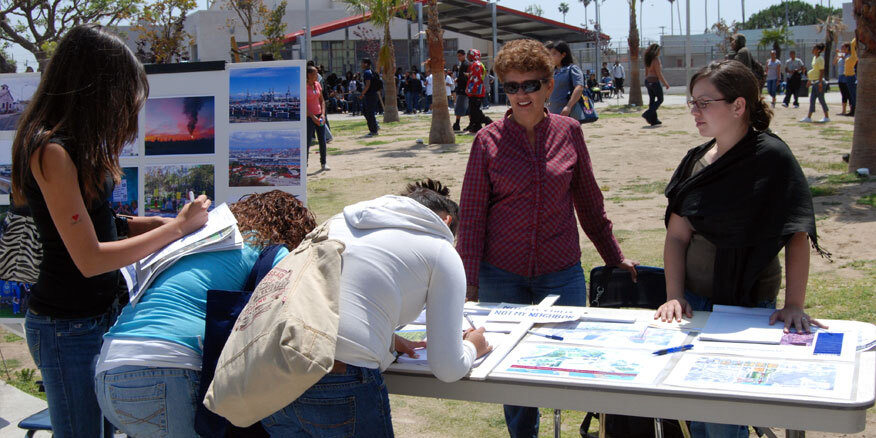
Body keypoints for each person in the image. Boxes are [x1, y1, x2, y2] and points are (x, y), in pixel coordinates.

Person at [10, 24, 210, 438]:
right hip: (67, 328)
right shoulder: (51, 151)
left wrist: (154, 224)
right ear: (94, 89)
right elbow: (89, 258)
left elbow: (101, 223)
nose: (126, 110)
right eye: (122, 96)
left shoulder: (75, 146)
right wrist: (174, 229)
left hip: (100, 316)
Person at [457, 38, 638, 438]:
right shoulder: (486, 143)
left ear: (549, 86)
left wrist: (614, 256)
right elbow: (469, 219)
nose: (522, 94)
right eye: (512, 86)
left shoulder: (570, 132)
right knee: (510, 375)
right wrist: (468, 284)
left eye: (531, 84)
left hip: (561, 273)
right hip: (500, 275)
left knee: (567, 362)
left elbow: (590, 204)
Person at [656, 60, 828, 438]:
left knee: (724, 417)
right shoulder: (696, 160)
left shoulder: (771, 158)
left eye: (704, 102)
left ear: (738, 106)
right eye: (691, 103)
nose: (694, 112)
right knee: (696, 412)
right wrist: (673, 296)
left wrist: (795, 303)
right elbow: (677, 236)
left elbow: (796, 235)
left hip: (748, 310)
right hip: (694, 305)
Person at [262, 180, 492, 437]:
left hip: (271, 368)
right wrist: (473, 345)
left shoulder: (339, 222)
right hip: (338, 375)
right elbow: (448, 368)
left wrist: (388, 340)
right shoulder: (441, 249)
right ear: (447, 222)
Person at [94, 191, 314, 437]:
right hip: (169, 369)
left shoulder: (200, 238)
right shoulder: (270, 248)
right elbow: (294, 304)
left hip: (110, 369)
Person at [545, 40, 585, 119]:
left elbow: (579, 88)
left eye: (554, 53)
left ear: (563, 55)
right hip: (553, 112)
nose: (551, 57)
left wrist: (568, 107)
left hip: (567, 113)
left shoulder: (572, 69)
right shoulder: (554, 71)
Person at [306, 65, 330, 171]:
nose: (317, 75)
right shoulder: (304, 87)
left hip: (320, 115)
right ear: (309, 75)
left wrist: (323, 114)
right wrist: (312, 116)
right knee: (307, 142)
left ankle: (323, 163)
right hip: (309, 118)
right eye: (315, 73)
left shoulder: (317, 85)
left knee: (322, 140)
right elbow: (304, 105)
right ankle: (304, 164)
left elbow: (322, 100)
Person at [642, 44, 670, 126]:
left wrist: (648, 81)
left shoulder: (648, 59)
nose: (659, 52)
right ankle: (648, 113)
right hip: (654, 81)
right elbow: (659, 74)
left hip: (648, 81)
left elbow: (646, 73)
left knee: (652, 101)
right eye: (659, 50)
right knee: (660, 99)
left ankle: (653, 120)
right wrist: (666, 83)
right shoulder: (656, 60)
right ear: (656, 51)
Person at [801, 43, 829, 123]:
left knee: (821, 99)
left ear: (818, 50)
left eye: (814, 49)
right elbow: (814, 70)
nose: (813, 50)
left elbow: (821, 71)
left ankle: (826, 116)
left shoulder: (820, 59)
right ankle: (809, 117)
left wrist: (820, 82)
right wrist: (809, 80)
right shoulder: (814, 58)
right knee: (812, 99)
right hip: (814, 82)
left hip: (818, 82)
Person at [465, 49, 492, 134]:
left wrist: (472, 90)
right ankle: (477, 126)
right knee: (473, 109)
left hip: (477, 91)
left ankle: (486, 120)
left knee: (475, 110)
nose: (468, 57)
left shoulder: (476, 64)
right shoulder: (475, 64)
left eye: (469, 55)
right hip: (476, 90)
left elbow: (476, 79)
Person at [361, 58, 380, 136]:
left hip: (369, 95)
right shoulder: (372, 72)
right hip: (374, 94)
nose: (361, 64)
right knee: (367, 112)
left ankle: (373, 130)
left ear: (366, 64)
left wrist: (362, 94)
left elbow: (367, 85)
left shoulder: (367, 73)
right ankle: (375, 126)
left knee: (369, 113)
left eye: (362, 63)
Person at [453, 49, 470, 131]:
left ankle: (457, 123)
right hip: (464, 89)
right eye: (458, 56)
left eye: (460, 56)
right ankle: (471, 123)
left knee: (459, 106)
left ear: (464, 55)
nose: (458, 57)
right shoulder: (464, 64)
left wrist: (458, 80)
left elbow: (465, 77)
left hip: (463, 89)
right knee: (467, 108)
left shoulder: (465, 64)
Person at [844, 39, 858, 117]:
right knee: (851, 94)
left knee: (853, 94)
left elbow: (852, 44)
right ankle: (852, 110)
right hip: (848, 77)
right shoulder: (849, 56)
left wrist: (856, 37)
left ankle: (854, 111)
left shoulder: (853, 56)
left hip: (851, 77)